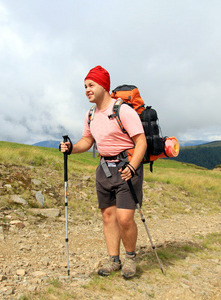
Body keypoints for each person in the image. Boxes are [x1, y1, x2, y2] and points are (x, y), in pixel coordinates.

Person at [60, 65, 147, 278]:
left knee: (125, 218)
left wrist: (132, 167)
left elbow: (141, 141)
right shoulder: (91, 114)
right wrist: (72, 149)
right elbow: (88, 141)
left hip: (127, 168)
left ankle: (130, 258)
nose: (87, 90)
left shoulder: (122, 110)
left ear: (104, 87)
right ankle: (113, 260)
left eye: (91, 85)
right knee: (108, 216)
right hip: (105, 170)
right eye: (85, 86)